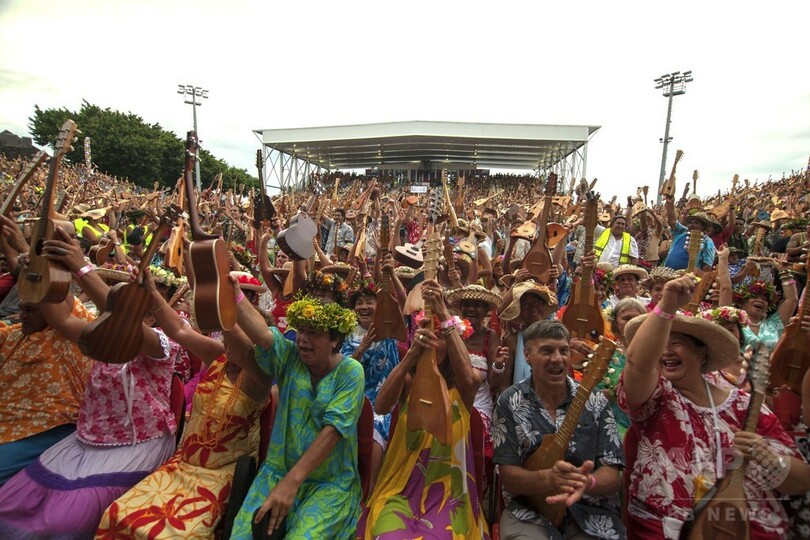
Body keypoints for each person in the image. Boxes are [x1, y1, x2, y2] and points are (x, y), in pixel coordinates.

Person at [619, 273, 810, 539]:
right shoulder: (656, 399)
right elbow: (638, 363)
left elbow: (801, 482)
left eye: (676, 344)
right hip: (668, 526)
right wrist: (668, 304)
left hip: (749, 528)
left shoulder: (746, 405)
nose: (665, 351)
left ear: (702, 353)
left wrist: (765, 456)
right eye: (660, 344)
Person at [96, 285, 270, 538]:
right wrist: (152, 291)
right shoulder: (218, 356)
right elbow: (178, 329)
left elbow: (244, 353)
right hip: (183, 463)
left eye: (239, 333)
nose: (227, 340)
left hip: (221, 473)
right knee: (117, 513)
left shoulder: (260, 377)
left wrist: (224, 312)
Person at [358, 279, 489, 539]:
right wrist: (411, 355)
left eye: (440, 337)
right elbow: (382, 406)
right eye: (427, 333)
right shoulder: (410, 381)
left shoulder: (462, 388)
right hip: (401, 490)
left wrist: (443, 313)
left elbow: (469, 378)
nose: (432, 340)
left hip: (450, 495)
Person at [230, 292, 364, 539]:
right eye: (301, 330)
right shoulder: (290, 358)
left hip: (328, 484)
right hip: (276, 472)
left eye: (313, 333)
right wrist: (232, 293)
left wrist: (292, 483)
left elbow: (333, 431)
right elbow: (263, 334)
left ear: (335, 340)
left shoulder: (350, 372)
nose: (302, 339)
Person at [492, 320, 625, 539]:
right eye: (546, 351)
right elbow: (508, 476)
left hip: (592, 513)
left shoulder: (595, 402)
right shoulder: (510, 402)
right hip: (529, 512)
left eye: (564, 351)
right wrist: (548, 479)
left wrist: (586, 482)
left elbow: (612, 472)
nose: (557, 358)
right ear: (527, 356)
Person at [0, 294, 95, 486]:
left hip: (52, 427)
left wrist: (47, 267)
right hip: (7, 422)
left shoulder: (67, 335)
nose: (23, 315)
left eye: (31, 310)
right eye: (22, 309)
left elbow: (63, 298)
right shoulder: (14, 334)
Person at [341, 278, 400, 491]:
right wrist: (361, 349)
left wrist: (386, 273)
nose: (364, 307)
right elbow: (343, 372)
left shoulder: (389, 332)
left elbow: (397, 301)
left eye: (369, 302)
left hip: (381, 401)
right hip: (351, 397)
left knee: (375, 438)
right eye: (359, 302)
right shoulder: (346, 334)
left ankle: (370, 491)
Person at [598, 298, 646, 439]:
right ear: (615, 323)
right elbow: (593, 391)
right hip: (613, 422)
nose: (632, 322)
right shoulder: (605, 351)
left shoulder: (652, 352)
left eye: (638, 318)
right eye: (626, 318)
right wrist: (607, 393)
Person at [498, 279, 559, 390]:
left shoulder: (556, 336)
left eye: (536, 303)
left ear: (543, 305)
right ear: (520, 310)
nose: (532, 309)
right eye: (526, 305)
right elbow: (504, 383)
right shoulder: (512, 340)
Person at [663, 208, 716, 272]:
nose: (692, 225)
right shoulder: (682, 232)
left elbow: (707, 266)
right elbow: (672, 221)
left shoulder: (708, 242)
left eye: (696, 223)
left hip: (687, 277)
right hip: (667, 272)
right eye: (690, 222)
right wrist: (670, 204)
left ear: (703, 226)